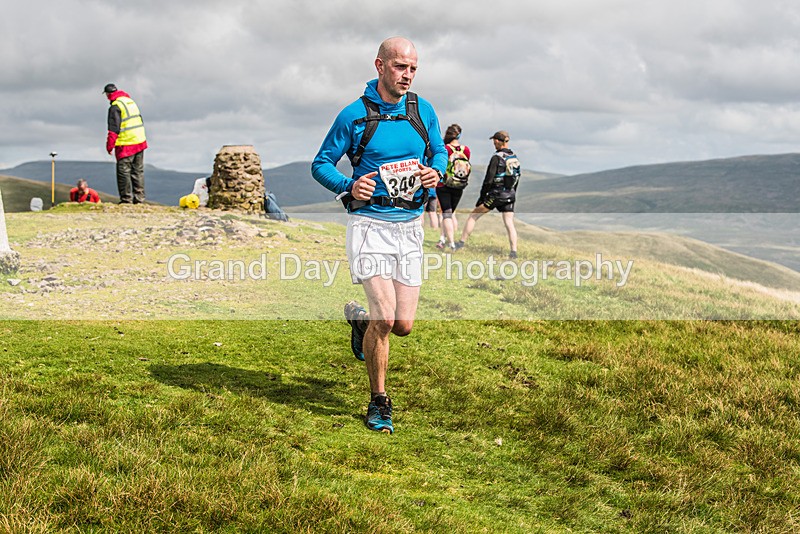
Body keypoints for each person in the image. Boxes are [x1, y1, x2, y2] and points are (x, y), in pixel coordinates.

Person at [311, 37, 448, 434]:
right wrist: (348, 186)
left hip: (410, 226)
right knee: (386, 319)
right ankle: (379, 402)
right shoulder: (353, 115)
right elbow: (320, 164)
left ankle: (361, 323)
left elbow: (437, 150)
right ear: (380, 66)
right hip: (369, 224)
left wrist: (434, 171)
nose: (408, 75)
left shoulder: (423, 110)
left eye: (414, 69)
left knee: (402, 324)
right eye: (401, 67)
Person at [455, 130, 520, 259]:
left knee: (473, 216)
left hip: (496, 195)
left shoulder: (497, 157)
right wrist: (512, 194)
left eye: (494, 141)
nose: (493, 144)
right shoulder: (514, 157)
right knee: (509, 223)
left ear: (497, 141)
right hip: (509, 195)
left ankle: (461, 244)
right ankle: (513, 252)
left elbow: (488, 180)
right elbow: (517, 177)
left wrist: (482, 198)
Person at [103, 83, 148, 204]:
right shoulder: (130, 102)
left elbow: (113, 129)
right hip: (140, 140)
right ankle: (139, 199)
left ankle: (126, 199)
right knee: (138, 171)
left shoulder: (115, 106)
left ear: (108, 95)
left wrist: (109, 146)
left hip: (126, 144)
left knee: (124, 172)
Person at [435, 124, 471, 251]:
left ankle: (451, 244)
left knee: (446, 215)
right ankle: (443, 239)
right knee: (451, 213)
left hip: (444, 185)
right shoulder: (466, 150)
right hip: (459, 186)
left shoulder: (445, 149)